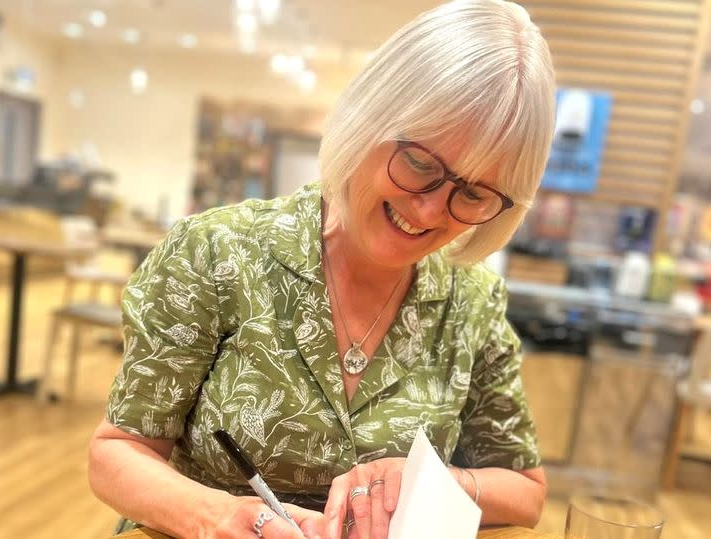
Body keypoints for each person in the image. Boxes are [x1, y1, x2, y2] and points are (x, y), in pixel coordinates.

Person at [88, 1, 556, 538]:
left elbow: (526, 489)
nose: (429, 211)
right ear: (371, 117)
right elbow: (116, 453)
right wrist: (219, 517)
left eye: (472, 193)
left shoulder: (471, 304)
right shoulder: (218, 252)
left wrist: (435, 480)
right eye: (420, 164)